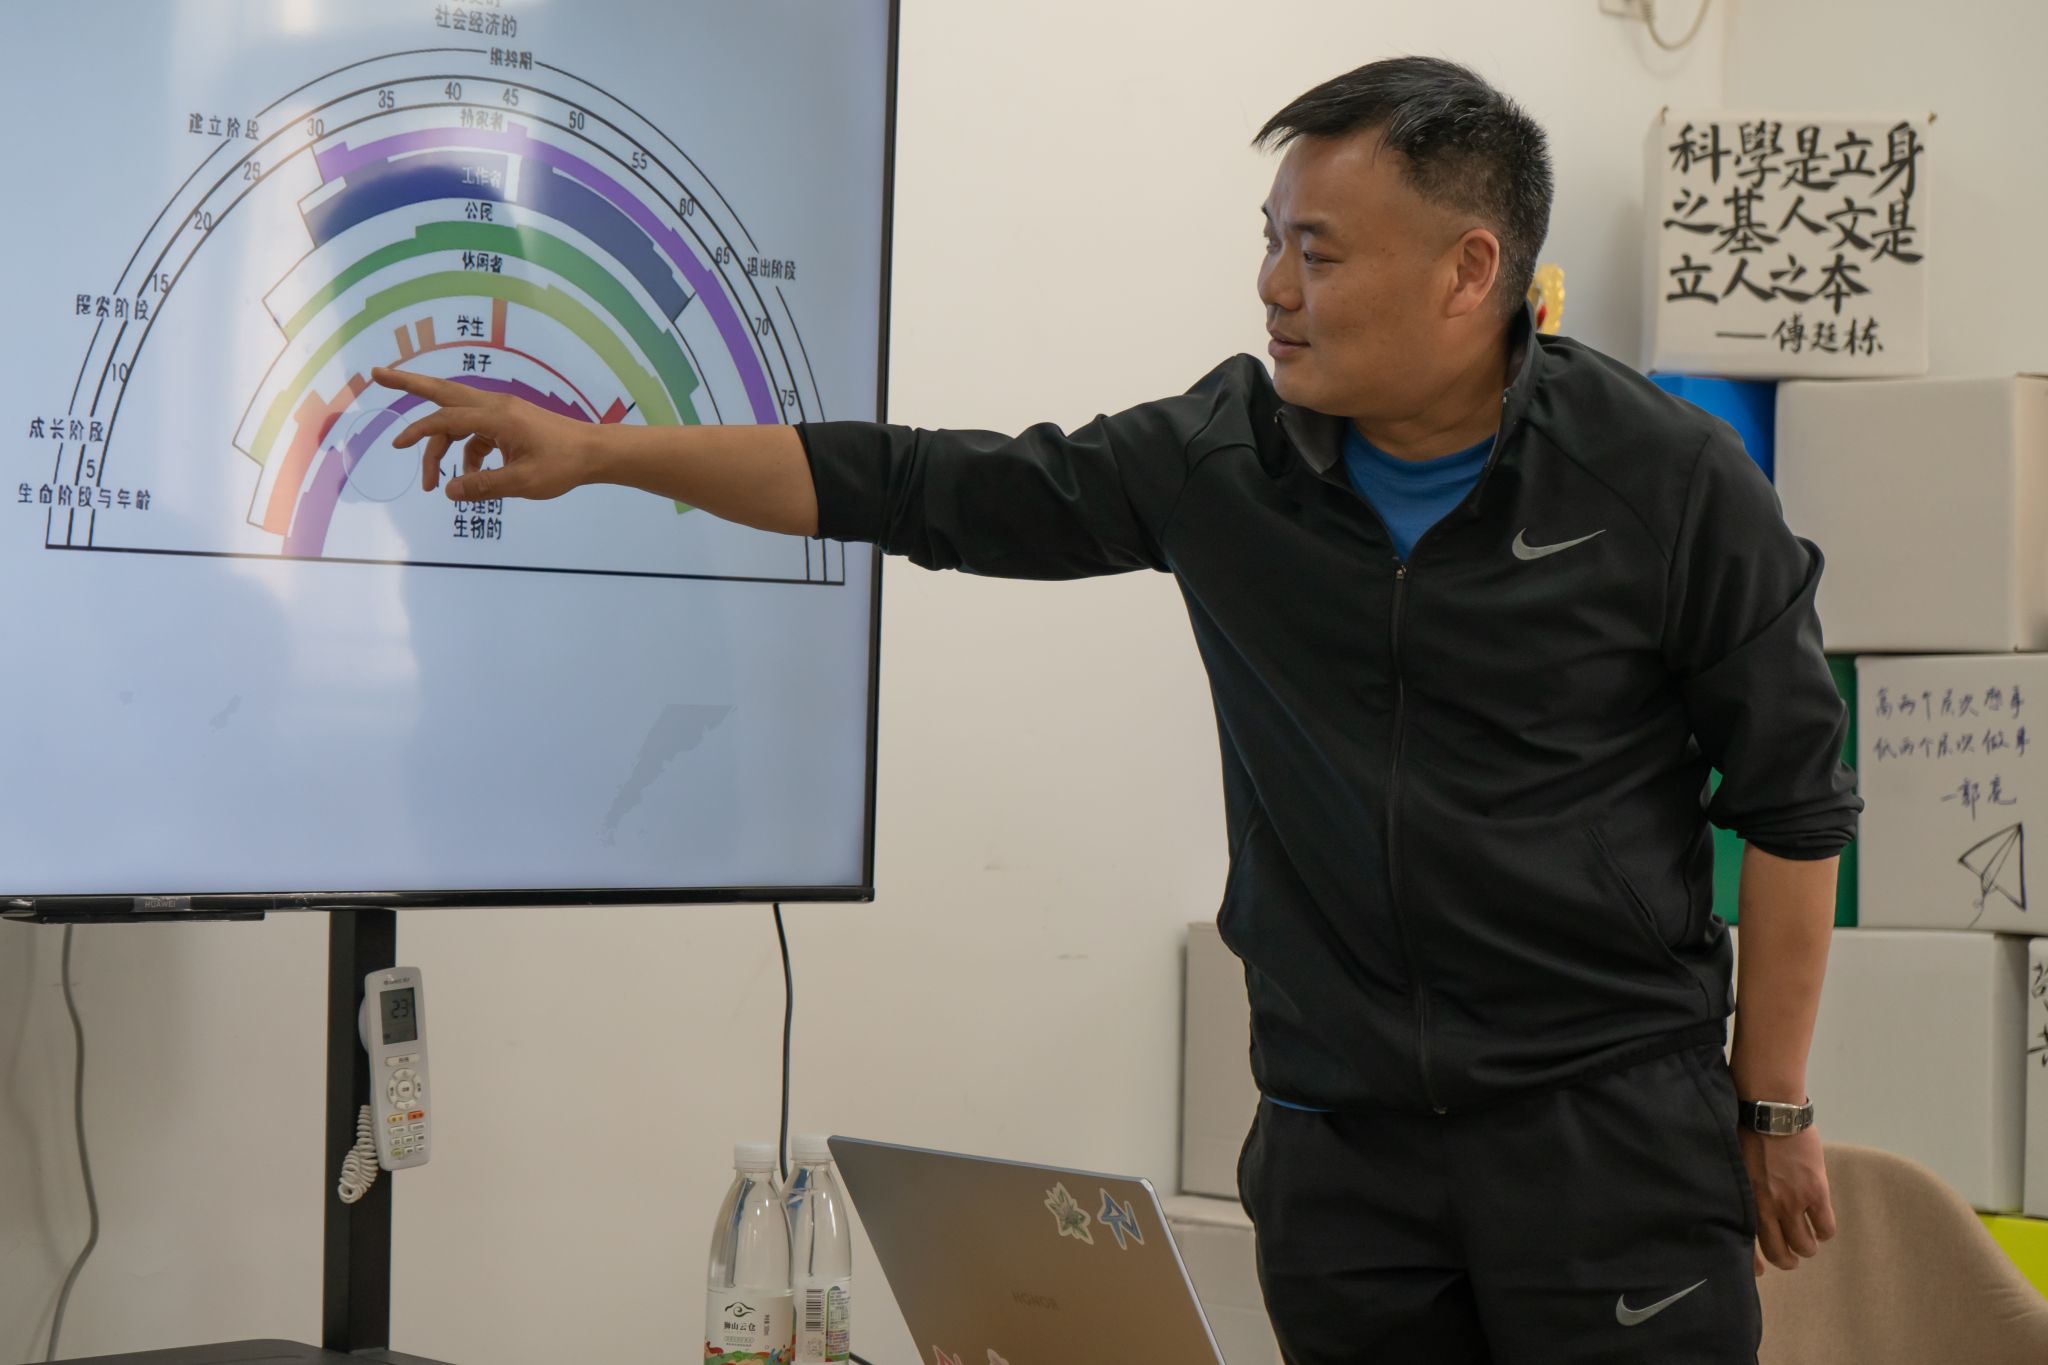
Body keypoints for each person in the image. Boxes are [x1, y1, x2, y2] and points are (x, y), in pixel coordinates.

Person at [373, 55, 1857, 1365]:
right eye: (1269, 241)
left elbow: (1793, 803)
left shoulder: (1665, 482)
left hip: (1605, 1138)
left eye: (1317, 252)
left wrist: (1772, 1105)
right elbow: (920, 484)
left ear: (1469, 272)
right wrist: (603, 453)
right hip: (1343, 1150)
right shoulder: (1223, 461)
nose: (1272, 287)